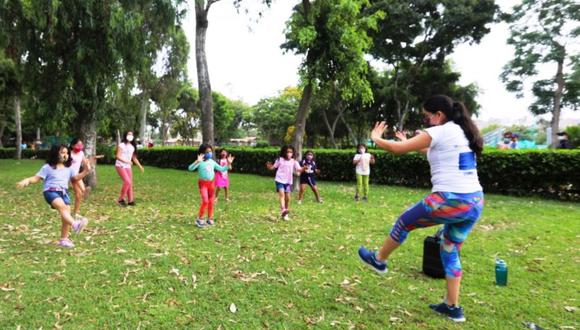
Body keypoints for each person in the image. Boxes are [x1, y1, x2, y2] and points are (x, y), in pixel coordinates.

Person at [357, 95, 485, 323]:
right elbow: (436, 154)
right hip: (474, 202)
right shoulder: (463, 132)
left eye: (427, 116)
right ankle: (452, 307)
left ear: (439, 115)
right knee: (450, 250)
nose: (426, 121)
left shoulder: (440, 130)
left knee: (404, 222)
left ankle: (379, 260)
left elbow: (396, 150)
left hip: (448, 200)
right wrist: (409, 141)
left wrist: (376, 138)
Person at [16, 144, 91, 248]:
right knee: (63, 208)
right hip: (50, 192)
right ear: (55, 154)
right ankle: (75, 225)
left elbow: (75, 178)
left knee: (66, 215)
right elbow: (37, 178)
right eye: (62, 152)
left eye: (67, 153)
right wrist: (27, 180)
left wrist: (86, 171)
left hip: (64, 193)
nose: (65, 155)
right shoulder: (47, 167)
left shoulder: (69, 168)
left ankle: (64, 240)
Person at [188, 144, 234, 227]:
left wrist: (228, 163)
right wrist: (197, 161)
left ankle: (210, 218)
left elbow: (222, 169)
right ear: (202, 153)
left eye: (210, 151)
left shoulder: (212, 162)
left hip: (211, 184)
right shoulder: (200, 162)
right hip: (203, 184)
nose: (209, 153)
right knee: (205, 201)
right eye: (207, 152)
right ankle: (200, 219)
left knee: (211, 202)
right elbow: (190, 168)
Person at [266, 145, 307, 220]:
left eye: (291, 152)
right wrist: (269, 167)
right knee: (282, 195)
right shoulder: (280, 159)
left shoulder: (294, 161)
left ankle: (285, 214)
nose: (289, 153)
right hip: (279, 180)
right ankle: (283, 209)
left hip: (288, 182)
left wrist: (304, 168)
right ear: (284, 152)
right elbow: (273, 167)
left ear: (293, 153)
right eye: (287, 152)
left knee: (288, 198)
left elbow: (299, 170)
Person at [115, 131, 144, 207]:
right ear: (125, 135)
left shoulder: (132, 147)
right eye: (128, 134)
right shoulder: (121, 145)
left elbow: (134, 158)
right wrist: (127, 161)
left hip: (128, 166)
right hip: (120, 165)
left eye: (131, 134)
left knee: (130, 183)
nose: (130, 136)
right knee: (127, 181)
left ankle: (130, 201)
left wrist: (140, 166)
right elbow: (118, 156)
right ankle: (120, 199)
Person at [69, 138, 86, 218]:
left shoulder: (81, 153)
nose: (80, 146)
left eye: (81, 145)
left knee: (82, 192)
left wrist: (89, 162)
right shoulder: (69, 154)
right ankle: (74, 213)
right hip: (72, 176)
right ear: (72, 145)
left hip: (78, 175)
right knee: (79, 194)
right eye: (78, 145)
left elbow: (84, 161)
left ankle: (75, 212)